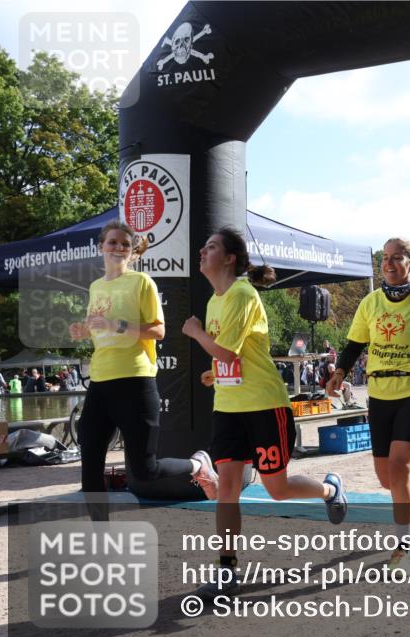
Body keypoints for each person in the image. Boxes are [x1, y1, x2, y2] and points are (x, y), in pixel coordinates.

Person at [183, 227, 348, 598]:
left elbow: (227, 351)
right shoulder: (213, 301)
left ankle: (328, 489)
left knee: (277, 489)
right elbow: (226, 358)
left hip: (264, 406)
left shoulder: (243, 293)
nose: (201, 251)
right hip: (227, 407)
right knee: (227, 489)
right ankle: (226, 570)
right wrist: (215, 374)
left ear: (228, 258)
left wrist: (196, 333)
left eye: (209, 247)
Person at [68, 221, 218, 521]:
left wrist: (115, 325)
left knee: (144, 470)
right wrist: (82, 331)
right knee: (90, 466)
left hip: (135, 381)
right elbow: (97, 329)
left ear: (132, 250)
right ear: (101, 246)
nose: (118, 248)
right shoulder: (96, 287)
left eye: (125, 243)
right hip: (100, 382)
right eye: (112, 242)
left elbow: (159, 331)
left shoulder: (141, 282)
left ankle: (197, 466)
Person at [328, 237, 410, 572]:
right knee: (388, 480)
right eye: (384, 258)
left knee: (399, 468)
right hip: (380, 395)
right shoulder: (370, 303)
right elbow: (354, 344)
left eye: (396, 258)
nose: (387, 264)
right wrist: (340, 372)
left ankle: (402, 547)